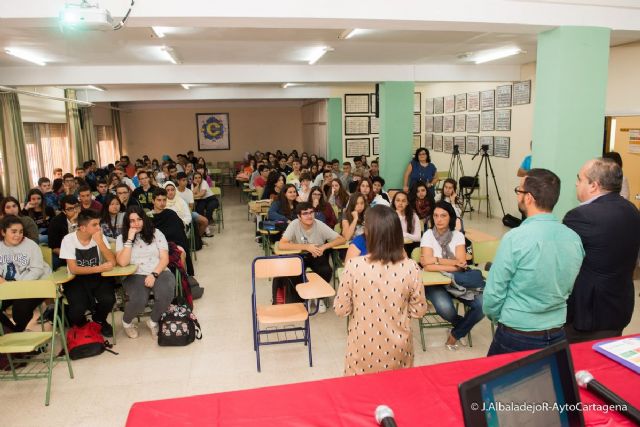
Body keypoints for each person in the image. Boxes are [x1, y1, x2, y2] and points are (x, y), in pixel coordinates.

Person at [484, 169, 584, 355]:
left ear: (528, 198)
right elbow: (568, 286)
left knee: (499, 375)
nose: (518, 195)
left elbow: (493, 293)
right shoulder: (574, 238)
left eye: (519, 190)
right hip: (557, 331)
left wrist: (503, 318)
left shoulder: (515, 238)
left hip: (516, 331)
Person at [334, 205, 427, 375]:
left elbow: (341, 309)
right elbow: (419, 310)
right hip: (399, 348)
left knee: (360, 391)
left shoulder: (354, 266)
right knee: (397, 389)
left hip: (362, 347)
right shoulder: (411, 267)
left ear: (368, 232)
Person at [563, 158, 640, 343]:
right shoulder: (632, 210)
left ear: (593, 185)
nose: (576, 183)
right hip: (618, 307)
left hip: (586, 314)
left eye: (580, 178)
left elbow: (561, 263)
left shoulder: (580, 216)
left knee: (574, 359)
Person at [421, 201, 484, 350]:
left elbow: (460, 263)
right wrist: (454, 263)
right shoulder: (428, 235)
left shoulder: (458, 235)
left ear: (451, 217)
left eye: (443, 216)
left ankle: (455, 334)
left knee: (482, 305)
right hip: (434, 282)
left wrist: (435, 261)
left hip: (458, 280)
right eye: (435, 215)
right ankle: (462, 327)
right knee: (445, 308)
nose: (439, 219)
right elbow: (427, 266)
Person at [116, 206, 175, 339]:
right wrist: (129, 240)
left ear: (144, 219)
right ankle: (126, 323)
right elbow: (123, 263)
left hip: (159, 270)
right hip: (135, 274)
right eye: (132, 221)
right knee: (139, 299)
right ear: (127, 223)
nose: (136, 223)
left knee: (166, 294)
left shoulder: (156, 233)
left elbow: (164, 259)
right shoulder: (121, 238)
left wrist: (154, 275)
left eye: (139, 219)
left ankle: (153, 321)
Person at [278, 202, 346, 310]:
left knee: (326, 270)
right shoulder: (294, 224)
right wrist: (306, 247)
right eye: (305, 213)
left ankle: (319, 297)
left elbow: (341, 239)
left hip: (317, 254)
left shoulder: (319, 224)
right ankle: (303, 298)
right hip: (299, 254)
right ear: (299, 216)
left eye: (311, 212)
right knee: (294, 273)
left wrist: (324, 246)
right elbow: (282, 244)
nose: (309, 216)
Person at [59, 209, 116, 336]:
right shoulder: (68, 240)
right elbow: (74, 269)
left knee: (108, 300)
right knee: (77, 311)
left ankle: (99, 320)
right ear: (83, 228)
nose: (99, 228)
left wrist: (100, 242)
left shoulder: (99, 237)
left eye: (99, 224)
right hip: (76, 279)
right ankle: (84, 324)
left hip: (97, 277)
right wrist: (99, 268)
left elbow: (112, 261)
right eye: (95, 225)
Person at [0, 215, 51, 332]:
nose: (18, 235)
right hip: (10, 286)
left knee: (20, 311)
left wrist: (19, 286)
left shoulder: (31, 245)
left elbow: (37, 270)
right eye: (13, 232)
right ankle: (13, 332)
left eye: (21, 231)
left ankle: (16, 332)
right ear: (3, 232)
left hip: (35, 284)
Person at [149, 188, 194, 277]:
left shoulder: (171, 214)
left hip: (174, 244)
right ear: (153, 201)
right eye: (159, 200)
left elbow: (179, 232)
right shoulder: (149, 217)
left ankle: (182, 279)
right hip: (156, 246)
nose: (162, 203)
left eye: (164, 200)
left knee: (180, 253)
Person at [47, 195, 79, 269]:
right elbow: (54, 247)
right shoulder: (55, 222)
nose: (75, 211)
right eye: (70, 209)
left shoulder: (85, 218)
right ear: (64, 211)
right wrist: (71, 257)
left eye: (76, 207)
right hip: (64, 252)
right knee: (54, 262)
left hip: (84, 251)